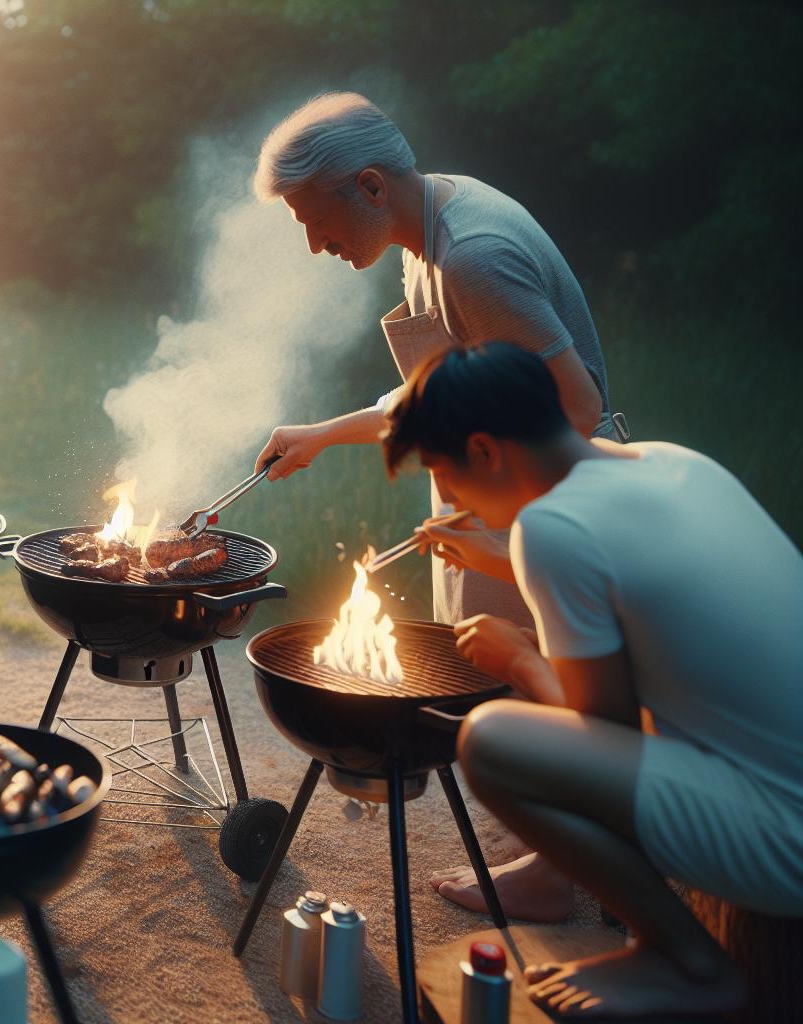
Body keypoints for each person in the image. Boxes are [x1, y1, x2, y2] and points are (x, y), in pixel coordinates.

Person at [248, 92, 617, 917]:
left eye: (315, 220)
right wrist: (324, 435)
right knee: (506, 678)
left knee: (530, 679)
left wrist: (493, 505)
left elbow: (578, 406)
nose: (314, 244)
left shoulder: (471, 258)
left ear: (371, 186)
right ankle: (548, 847)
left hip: (540, 495)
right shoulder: (429, 229)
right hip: (498, 485)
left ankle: (557, 875)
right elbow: (436, 393)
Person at [379, 341, 801, 1019]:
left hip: (786, 839)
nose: (448, 497)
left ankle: (686, 962)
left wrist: (520, 661)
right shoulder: (673, 462)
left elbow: (603, 734)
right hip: (780, 783)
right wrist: (499, 566)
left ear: (485, 450)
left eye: (443, 473)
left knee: (491, 743)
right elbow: (631, 596)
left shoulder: (549, 529)